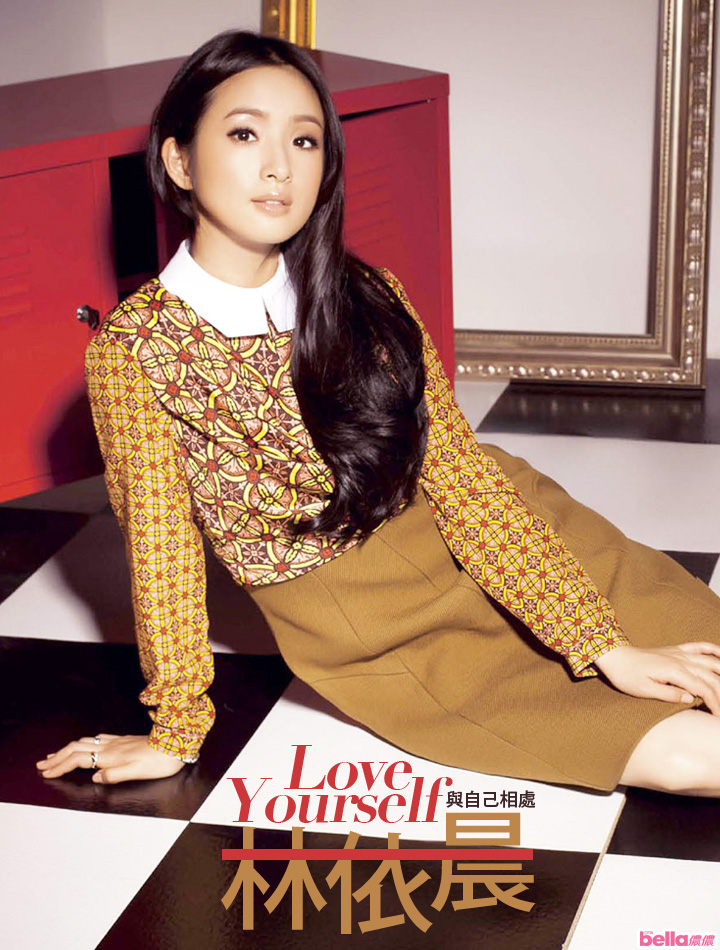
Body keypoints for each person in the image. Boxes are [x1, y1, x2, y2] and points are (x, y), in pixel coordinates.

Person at [36, 30, 720, 794]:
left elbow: (465, 482)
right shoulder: (135, 351)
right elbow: (162, 550)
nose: (279, 166)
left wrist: (601, 642)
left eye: (304, 140)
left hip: (509, 536)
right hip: (379, 628)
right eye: (244, 134)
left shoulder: (369, 293)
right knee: (695, 759)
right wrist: (176, 728)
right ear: (179, 161)